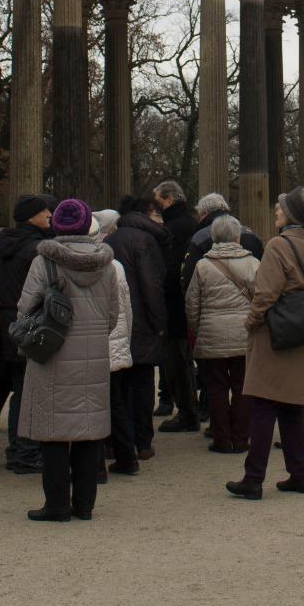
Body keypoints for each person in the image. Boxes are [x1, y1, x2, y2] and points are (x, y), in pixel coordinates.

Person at [227, 187, 304, 501]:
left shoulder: (278, 245)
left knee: (263, 406)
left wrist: (250, 322)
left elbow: (265, 294)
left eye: (281, 208)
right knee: (291, 407)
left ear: (291, 215)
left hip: (278, 336)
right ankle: (300, 474)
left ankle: (253, 478)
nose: (276, 211)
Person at [19, 199, 118, 522]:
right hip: (93, 356)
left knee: (53, 433)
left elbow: (25, 309)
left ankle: (57, 504)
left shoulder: (44, 262)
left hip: (52, 352)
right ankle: (85, 504)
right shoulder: (106, 265)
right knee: (89, 430)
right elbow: (113, 315)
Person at [186, 214, 259, 453]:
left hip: (212, 333)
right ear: (238, 237)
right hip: (245, 333)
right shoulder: (253, 263)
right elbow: (262, 299)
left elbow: (192, 304)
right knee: (243, 387)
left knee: (216, 388)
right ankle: (241, 437)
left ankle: (222, 438)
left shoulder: (203, 265)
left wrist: (197, 330)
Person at [0, 194, 55, 473]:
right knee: (31, 391)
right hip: (31, 321)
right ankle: (27, 451)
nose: (50, 215)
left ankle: (18, 449)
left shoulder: (9, 245)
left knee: (21, 388)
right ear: (32, 217)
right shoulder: (35, 249)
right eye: (44, 212)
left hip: (10, 320)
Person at [107, 195, 168, 461]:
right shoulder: (145, 240)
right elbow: (152, 285)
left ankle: (118, 442)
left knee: (118, 387)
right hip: (142, 321)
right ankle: (143, 442)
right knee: (143, 383)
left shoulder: (110, 240)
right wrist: (159, 322)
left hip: (117, 321)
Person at [97, 210, 138, 480]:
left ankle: (94, 466)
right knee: (117, 403)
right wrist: (125, 340)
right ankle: (127, 457)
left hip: (92, 346)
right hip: (116, 341)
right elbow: (126, 309)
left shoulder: (71, 262)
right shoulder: (115, 266)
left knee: (90, 407)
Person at [153, 180, 196, 425]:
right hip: (186, 302)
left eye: (158, 199)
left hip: (174, 305)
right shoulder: (190, 224)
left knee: (177, 362)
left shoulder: (171, 229)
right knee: (184, 360)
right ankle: (190, 409)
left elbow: (167, 271)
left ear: (168, 199)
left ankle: (187, 412)